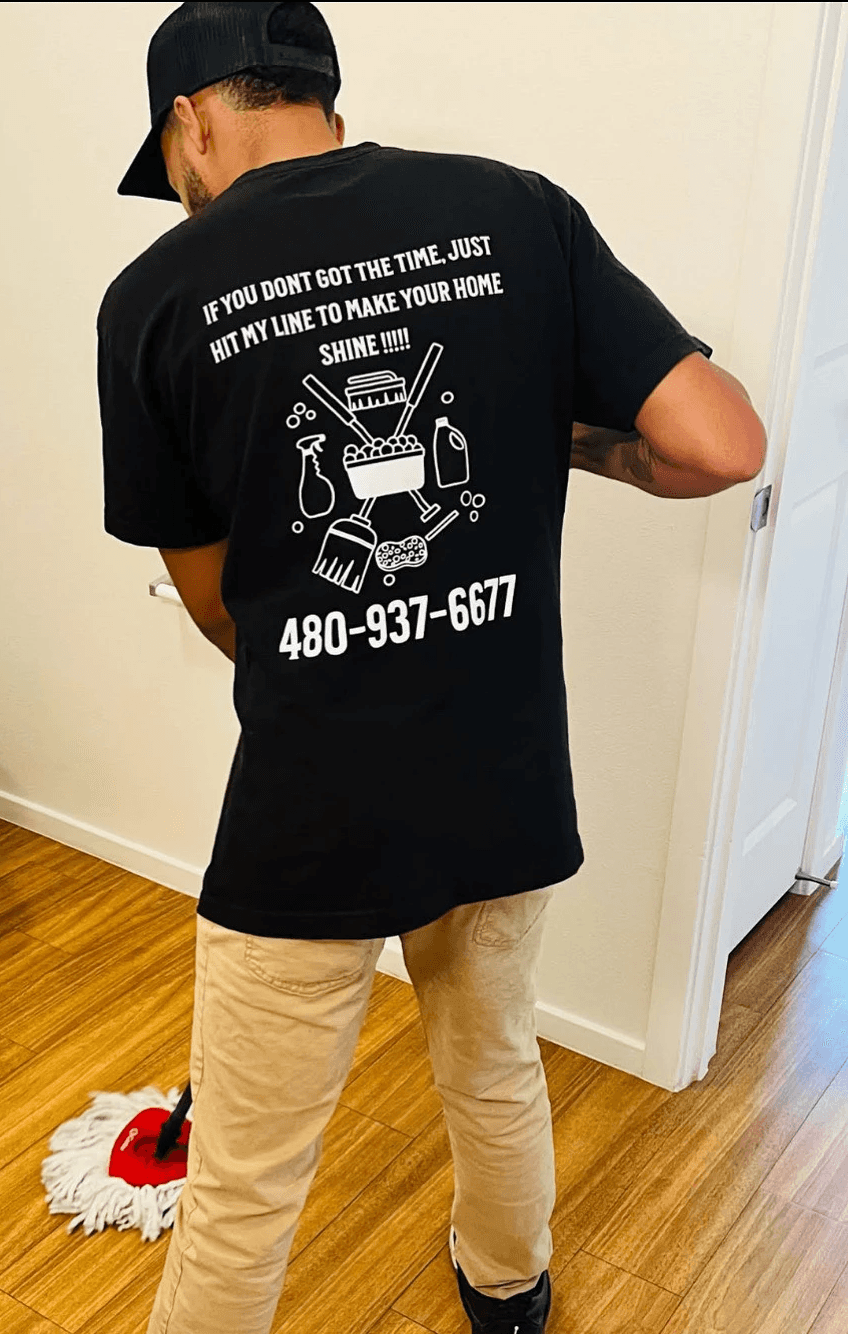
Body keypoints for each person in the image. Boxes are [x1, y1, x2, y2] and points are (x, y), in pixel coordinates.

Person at [96, 5, 767, 1332]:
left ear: (192, 120)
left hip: (312, 803)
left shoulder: (156, 296)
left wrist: (331, 629)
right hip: (498, 771)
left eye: (173, 163)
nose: (180, 190)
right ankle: (507, 1294)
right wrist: (553, 440)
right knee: (493, 1066)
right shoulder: (512, 211)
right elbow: (717, 443)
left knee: (242, 1176)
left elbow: (214, 600)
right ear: (322, 97)